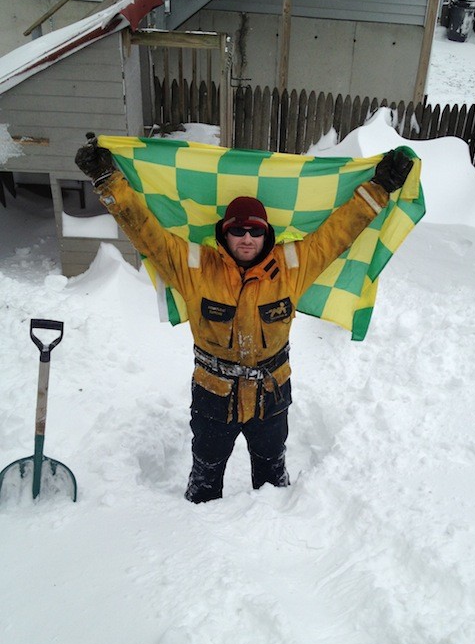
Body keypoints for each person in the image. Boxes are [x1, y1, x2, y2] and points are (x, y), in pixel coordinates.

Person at [75, 135, 413, 503]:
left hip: (271, 394)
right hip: (213, 396)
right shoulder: (194, 267)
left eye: (255, 230)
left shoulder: (293, 266)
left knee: (272, 482)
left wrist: (380, 187)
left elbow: (338, 233)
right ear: (225, 232)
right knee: (205, 480)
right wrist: (108, 181)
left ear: (267, 234)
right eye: (238, 229)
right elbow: (144, 231)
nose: (247, 237)